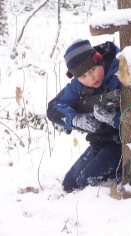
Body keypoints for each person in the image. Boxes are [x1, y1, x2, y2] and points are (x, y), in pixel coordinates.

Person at [47, 39, 122, 192]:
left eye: (93, 70)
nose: (91, 78)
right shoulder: (79, 85)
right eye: (83, 76)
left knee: (86, 182)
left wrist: (113, 118)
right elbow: (53, 108)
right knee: (69, 184)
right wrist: (76, 120)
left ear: (99, 60)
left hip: (122, 146)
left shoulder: (121, 73)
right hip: (100, 143)